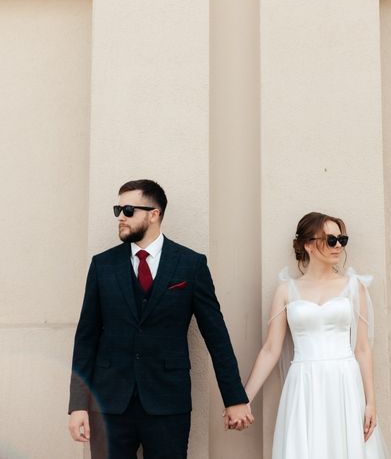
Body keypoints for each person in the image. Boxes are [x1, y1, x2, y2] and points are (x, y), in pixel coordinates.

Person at [68, 179, 253, 459]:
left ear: (154, 214)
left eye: (128, 209)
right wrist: (78, 405)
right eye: (118, 209)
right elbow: (86, 338)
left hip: (168, 402)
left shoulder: (190, 265)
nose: (120, 216)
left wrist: (235, 398)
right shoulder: (102, 265)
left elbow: (216, 335)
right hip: (109, 403)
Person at [244, 212, 390, 458]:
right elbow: (271, 349)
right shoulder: (286, 290)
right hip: (304, 383)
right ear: (309, 245)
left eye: (341, 240)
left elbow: (363, 349)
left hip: (345, 382)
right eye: (331, 240)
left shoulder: (355, 288)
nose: (338, 247)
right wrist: (244, 398)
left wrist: (370, 403)